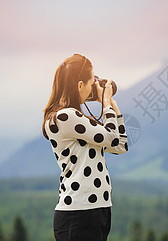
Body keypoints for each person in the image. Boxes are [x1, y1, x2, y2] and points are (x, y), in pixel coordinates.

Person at [42, 54, 128, 241]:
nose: (93, 89)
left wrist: (112, 105)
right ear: (80, 85)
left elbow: (120, 145)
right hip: (78, 212)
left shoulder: (77, 120)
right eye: (91, 83)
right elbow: (112, 138)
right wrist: (105, 103)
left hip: (97, 209)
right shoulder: (65, 117)